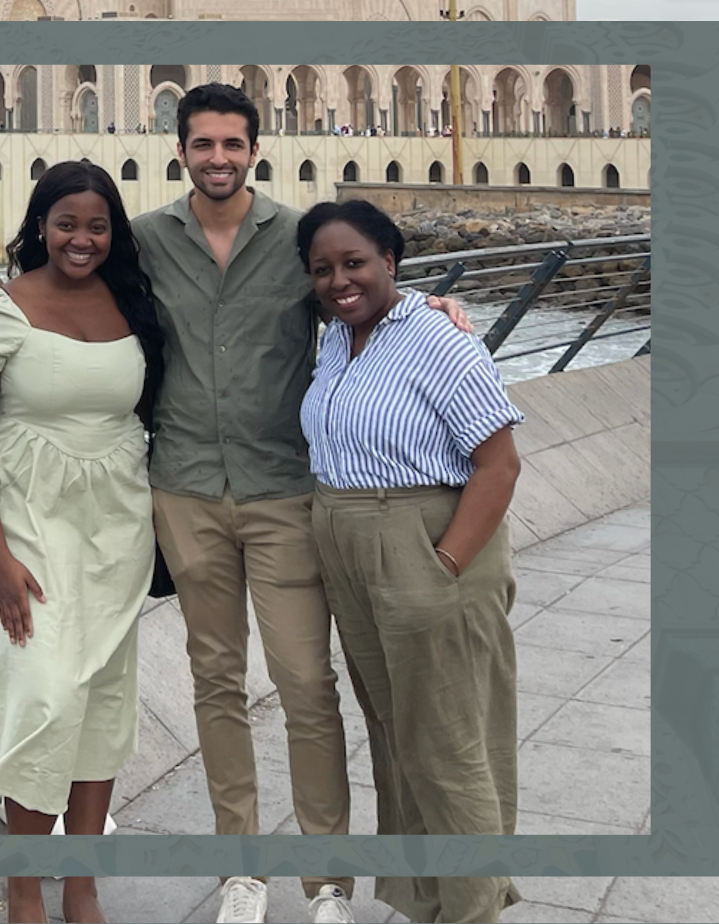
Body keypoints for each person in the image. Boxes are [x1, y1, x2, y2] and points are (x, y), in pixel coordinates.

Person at [0, 82, 472, 924]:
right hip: (184, 491)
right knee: (216, 683)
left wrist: (434, 306)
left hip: (283, 488)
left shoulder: (296, 237)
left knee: (307, 685)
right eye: (203, 145)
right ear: (181, 152)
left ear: (255, 150)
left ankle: (326, 883)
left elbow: (359, 292)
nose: (218, 159)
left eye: (233, 145)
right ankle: (243, 871)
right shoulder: (150, 241)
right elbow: (65, 277)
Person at [0, 159, 166, 924]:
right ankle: (24, 891)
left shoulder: (137, 300)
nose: (82, 238)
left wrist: (429, 305)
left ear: (115, 231)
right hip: (32, 528)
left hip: (118, 526)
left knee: (101, 701)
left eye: (97, 225)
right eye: (67, 222)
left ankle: (81, 885)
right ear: (40, 224)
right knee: (45, 698)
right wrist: (0, 558)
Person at [296, 199, 525, 924]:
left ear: (391, 261)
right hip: (349, 546)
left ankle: (473, 906)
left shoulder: (439, 338)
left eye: (355, 262)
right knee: (396, 735)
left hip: (424, 541)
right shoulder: (337, 339)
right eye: (323, 269)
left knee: (451, 741)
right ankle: (427, 897)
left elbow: (500, 465)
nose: (340, 280)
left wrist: (444, 565)